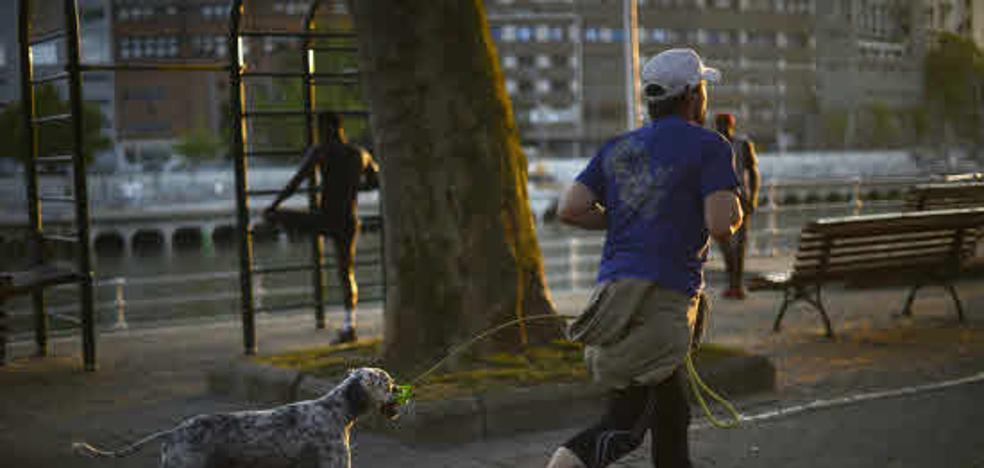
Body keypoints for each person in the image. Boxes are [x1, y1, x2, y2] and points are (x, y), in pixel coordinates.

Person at [547, 48, 743, 468]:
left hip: (613, 299)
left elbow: (570, 207)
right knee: (625, 426)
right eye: (703, 88)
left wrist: (623, 220)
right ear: (693, 96)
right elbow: (719, 222)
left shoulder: (620, 147)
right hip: (663, 298)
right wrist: (737, 213)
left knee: (672, 415)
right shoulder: (711, 146)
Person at [264, 112, 380, 344]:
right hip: (348, 219)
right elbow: (375, 181)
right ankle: (350, 325)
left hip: (325, 219)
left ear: (326, 128)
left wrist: (273, 206)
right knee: (346, 271)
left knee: (278, 216)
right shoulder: (360, 154)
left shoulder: (322, 151)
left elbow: (296, 182)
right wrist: (354, 189)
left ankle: (276, 227)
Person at [714, 113, 759, 300]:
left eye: (725, 125)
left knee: (739, 245)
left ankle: (736, 285)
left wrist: (752, 198)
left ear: (731, 126)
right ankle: (733, 282)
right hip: (719, 198)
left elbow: (753, 172)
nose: (722, 129)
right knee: (725, 243)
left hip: (739, 198)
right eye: (719, 125)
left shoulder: (743, 144)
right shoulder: (712, 147)